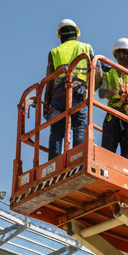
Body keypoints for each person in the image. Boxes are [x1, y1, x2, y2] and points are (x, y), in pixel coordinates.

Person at [44, 19, 95, 160]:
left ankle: (53, 163)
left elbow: (49, 80)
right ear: (76, 34)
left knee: (57, 131)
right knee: (79, 127)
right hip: (79, 92)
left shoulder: (54, 52)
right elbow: (98, 73)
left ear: (60, 36)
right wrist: (90, 91)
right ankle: (79, 158)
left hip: (58, 95)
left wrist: (46, 103)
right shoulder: (86, 48)